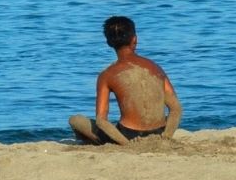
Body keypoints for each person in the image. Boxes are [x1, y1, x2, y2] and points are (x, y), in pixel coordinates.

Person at [69, 16, 182, 145]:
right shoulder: (155, 67)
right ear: (134, 39)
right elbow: (176, 109)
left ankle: (90, 144)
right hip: (159, 132)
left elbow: (101, 121)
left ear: (108, 42)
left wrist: (127, 145)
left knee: (75, 120)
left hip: (128, 135)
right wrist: (166, 136)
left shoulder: (106, 75)